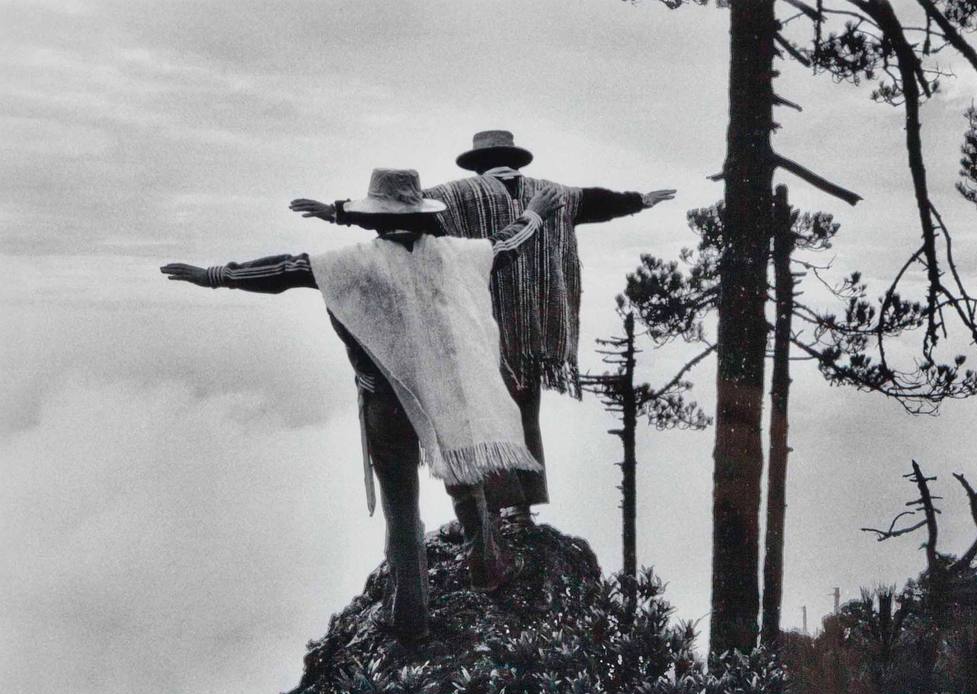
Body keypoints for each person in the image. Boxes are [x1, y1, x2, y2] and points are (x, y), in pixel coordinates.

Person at [161, 168, 564, 639]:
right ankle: (488, 567)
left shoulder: (352, 264)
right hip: (446, 395)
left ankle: (410, 615)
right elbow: (504, 246)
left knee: (401, 507)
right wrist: (534, 215)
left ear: (373, 219)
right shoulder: (453, 256)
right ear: (421, 215)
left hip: (385, 405)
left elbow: (286, 270)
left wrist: (214, 276)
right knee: (465, 479)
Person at [290, 130, 676, 525]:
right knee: (526, 411)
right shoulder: (553, 193)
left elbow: (398, 211)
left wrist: (337, 212)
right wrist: (642, 201)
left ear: (477, 163)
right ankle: (524, 506)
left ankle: (501, 508)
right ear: (515, 159)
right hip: (538, 328)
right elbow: (599, 201)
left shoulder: (458, 195)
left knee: (488, 415)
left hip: (481, 322)